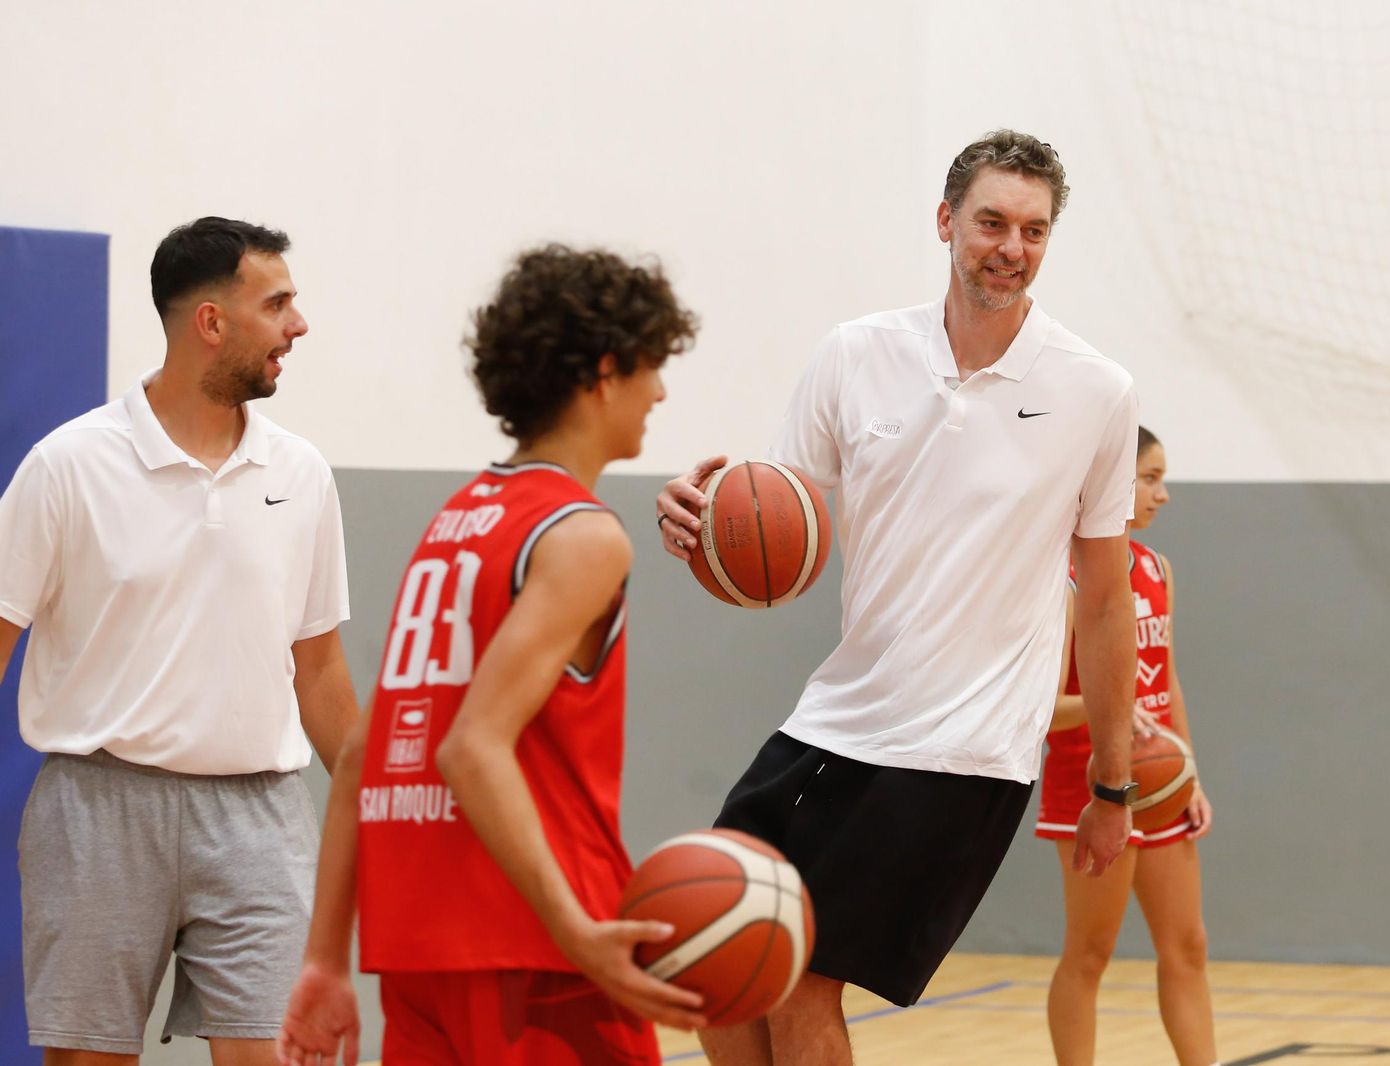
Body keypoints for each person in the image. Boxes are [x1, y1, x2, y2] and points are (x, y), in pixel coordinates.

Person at [655, 130, 1142, 1066]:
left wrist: (1110, 785)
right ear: (945, 221)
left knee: (800, 979)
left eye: (1034, 230)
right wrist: (698, 518)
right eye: (992, 222)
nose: (1012, 247)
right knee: (710, 949)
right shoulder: (856, 354)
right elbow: (776, 514)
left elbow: (1106, 600)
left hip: (964, 748)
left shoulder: (1095, 390)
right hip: (837, 718)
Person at [277, 244, 705, 1066]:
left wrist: (326, 960)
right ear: (605, 371)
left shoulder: (454, 522)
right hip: (543, 955)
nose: (659, 392)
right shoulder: (582, 535)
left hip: (421, 953)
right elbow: (471, 747)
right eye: (652, 365)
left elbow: (364, 753)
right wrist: (576, 931)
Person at [0, 217, 360, 1064]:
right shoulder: (67, 465)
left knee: (281, 1053)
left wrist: (385, 808)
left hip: (261, 815)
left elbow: (320, 673)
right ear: (211, 321)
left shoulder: (301, 473)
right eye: (277, 305)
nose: (298, 326)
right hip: (97, 808)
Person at [1036, 426, 1218, 1066]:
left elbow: (1168, 679)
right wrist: (1109, 709)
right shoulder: (1062, 580)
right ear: (1112, 483)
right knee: (1090, 954)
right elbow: (1038, 710)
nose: (1162, 494)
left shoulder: (1157, 568)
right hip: (1090, 784)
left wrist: (1190, 773)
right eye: (1150, 478)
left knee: (1188, 946)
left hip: (1160, 782)